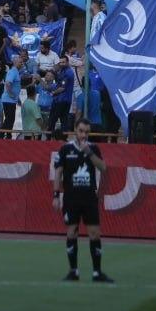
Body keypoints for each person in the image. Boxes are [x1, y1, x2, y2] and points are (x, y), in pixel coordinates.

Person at [52, 119, 112, 283]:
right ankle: (73, 271)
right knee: (72, 231)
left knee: (94, 233)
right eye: (81, 131)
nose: (83, 135)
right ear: (75, 130)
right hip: (71, 197)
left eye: (86, 132)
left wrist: (89, 153)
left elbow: (103, 167)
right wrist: (56, 195)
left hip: (89, 197)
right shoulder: (65, 149)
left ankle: (97, 272)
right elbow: (58, 173)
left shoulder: (93, 148)